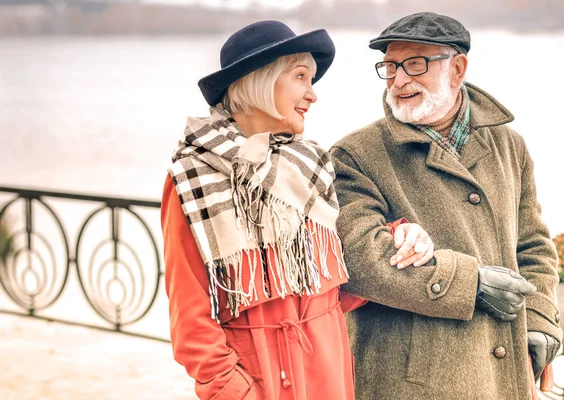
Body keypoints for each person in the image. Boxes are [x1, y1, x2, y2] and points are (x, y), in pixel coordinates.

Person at [161, 20, 433, 400]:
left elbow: (332, 286)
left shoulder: (310, 166)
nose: (312, 94)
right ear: (259, 80)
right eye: (301, 77)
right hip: (260, 382)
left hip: (329, 373)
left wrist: (398, 238)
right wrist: (237, 392)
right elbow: (191, 323)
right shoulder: (192, 178)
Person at [330, 12, 563, 400]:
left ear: (457, 68)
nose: (399, 79)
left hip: (505, 378)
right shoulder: (354, 154)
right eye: (389, 66)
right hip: (408, 387)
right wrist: (470, 282)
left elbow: (534, 246)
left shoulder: (510, 146)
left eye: (415, 64)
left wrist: (539, 319)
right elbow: (357, 260)